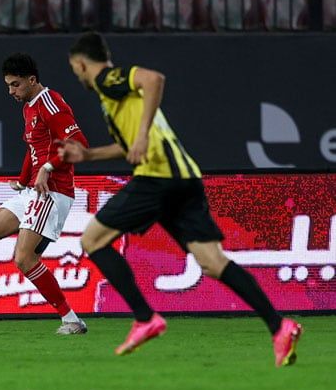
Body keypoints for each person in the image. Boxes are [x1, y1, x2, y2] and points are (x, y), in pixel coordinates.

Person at [59, 31, 302, 365]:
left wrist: (142, 135)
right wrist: (88, 156)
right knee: (213, 262)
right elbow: (128, 147)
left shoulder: (107, 79)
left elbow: (154, 79)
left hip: (158, 177)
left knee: (92, 240)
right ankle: (279, 326)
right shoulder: (117, 100)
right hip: (185, 179)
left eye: (75, 69)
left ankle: (145, 318)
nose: (77, 76)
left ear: (81, 64)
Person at [0, 52, 89, 335]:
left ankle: (72, 320)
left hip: (52, 192)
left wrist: (47, 168)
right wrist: (23, 180)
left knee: (24, 259)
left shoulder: (50, 102)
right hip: (32, 191)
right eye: (8, 85)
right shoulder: (29, 107)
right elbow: (33, 148)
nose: (11, 91)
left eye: (16, 84)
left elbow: (79, 143)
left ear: (32, 80)